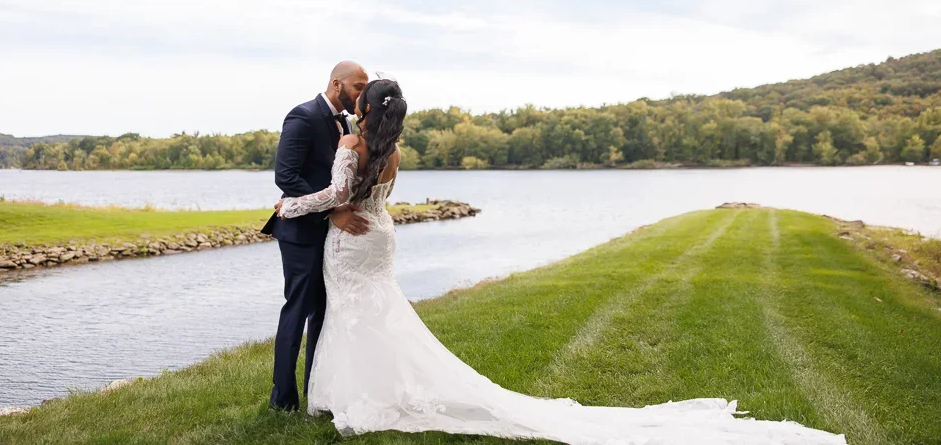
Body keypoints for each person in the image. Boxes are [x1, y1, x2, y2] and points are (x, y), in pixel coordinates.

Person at [274, 78, 847, 444]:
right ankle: (369, 391)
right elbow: (366, 196)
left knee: (355, 313)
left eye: (360, 95)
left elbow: (337, 196)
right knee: (375, 313)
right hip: (379, 235)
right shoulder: (393, 151)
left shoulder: (351, 145)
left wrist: (289, 206)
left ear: (363, 109)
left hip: (351, 239)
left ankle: (356, 397)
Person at [262, 61, 369, 412]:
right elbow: (286, 176)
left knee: (324, 311)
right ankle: (282, 399)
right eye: (357, 86)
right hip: (300, 233)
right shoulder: (302, 116)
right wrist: (332, 210)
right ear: (336, 84)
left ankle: (316, 393)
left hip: (329, 234)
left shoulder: (345, 123)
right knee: (298, 310)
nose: (361, 94)